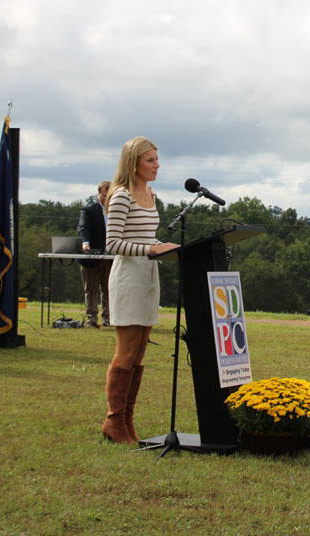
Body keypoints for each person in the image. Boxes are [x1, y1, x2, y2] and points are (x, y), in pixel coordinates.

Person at [101, 137, 178, 444]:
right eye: (150, 160)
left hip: (148, 273)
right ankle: (114, 421)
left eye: (157, 159)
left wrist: (156, 249)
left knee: (140, 351)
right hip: (128, 276)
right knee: (127, 351)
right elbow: (112, 244)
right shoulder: (120, 195)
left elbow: (146, 233)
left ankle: (127, 420)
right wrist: (153, 248)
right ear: (133, 164)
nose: (157, 165)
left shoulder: (149, 192)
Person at [78, 180, 112, 328]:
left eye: (109, 195)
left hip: (110, 255)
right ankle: (92, 318)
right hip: (91, 257)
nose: (106, 199)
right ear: (99, 194)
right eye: (104, 195)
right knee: (90, 289)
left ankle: (108, 317)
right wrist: (86, 242)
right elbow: (83, 227)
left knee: (108, 288)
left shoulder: (117, 211)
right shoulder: (89, 210)